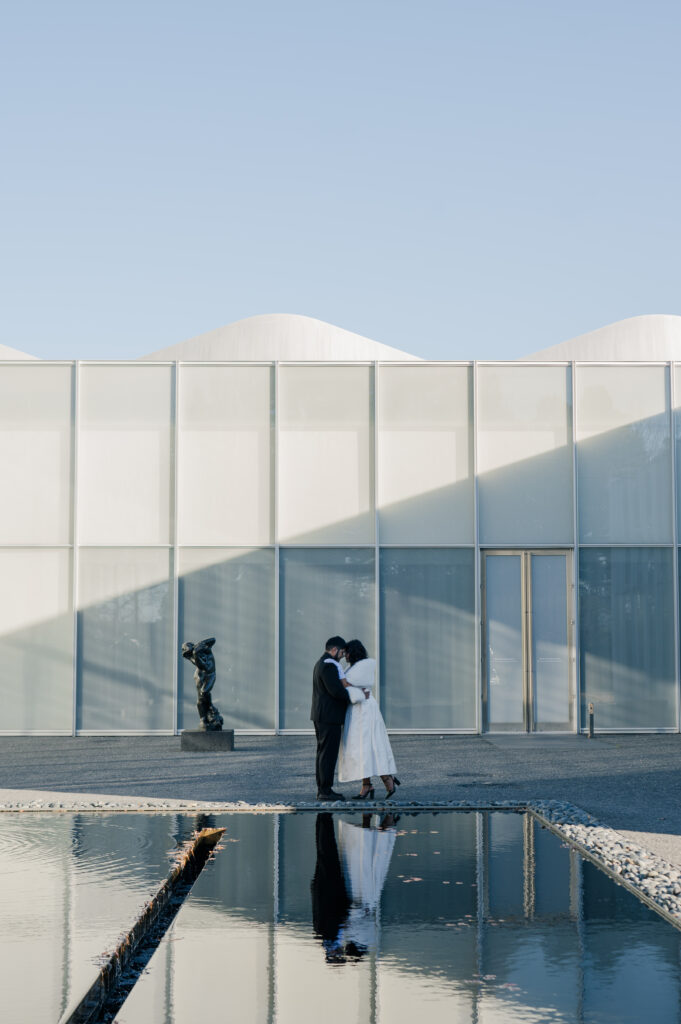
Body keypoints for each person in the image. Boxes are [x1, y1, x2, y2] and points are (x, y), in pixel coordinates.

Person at [338, 639, 400, 799]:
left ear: (352, 652)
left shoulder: (363, 666)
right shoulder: (352, 667)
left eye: (346, 652)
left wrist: (342, 680)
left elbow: (346, 684)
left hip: (365, 711)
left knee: (371, 744)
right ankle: (367, 784)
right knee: (360, 748)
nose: (344, 655)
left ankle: (386, 780)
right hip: (357, 710)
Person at [311, 636, 368, 802]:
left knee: (323, 754)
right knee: (328, 755)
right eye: (342, 652)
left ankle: (323, 789)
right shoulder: (328, 665)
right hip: (329, 717)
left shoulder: (321, 663)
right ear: (334, 650)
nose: (343, 656)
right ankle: (325, 791)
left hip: (323, 716)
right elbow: (336, 692)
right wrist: (358, 695)